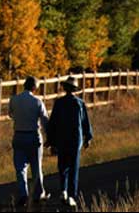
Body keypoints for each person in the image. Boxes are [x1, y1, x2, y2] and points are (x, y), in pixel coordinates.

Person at [46, 76, 93, 207]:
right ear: (75, 89)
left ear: (65, 88)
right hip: (75, 139)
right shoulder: (80, 103)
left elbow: (53, 122)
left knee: (62, 166)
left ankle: (63, 190)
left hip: (62, 139)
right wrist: (88, 137)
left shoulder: (59, 103)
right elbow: (85, 122)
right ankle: (72, 195)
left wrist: (50, 140)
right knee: (73, 167)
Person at [9, 76, 51, 207]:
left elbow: (11, 114)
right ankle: (39, 193)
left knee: (20, 168)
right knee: (36, 166)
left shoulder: (14, 99)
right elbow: (44, 120)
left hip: (19, 135)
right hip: (33, 135)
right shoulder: (37, 101)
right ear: (34, 88)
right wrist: (49, 137)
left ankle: (23, 194)